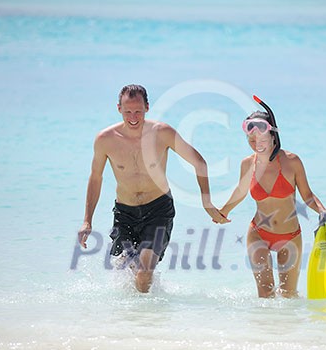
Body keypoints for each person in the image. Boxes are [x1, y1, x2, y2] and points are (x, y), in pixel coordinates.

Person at [78, 84, 229, 293]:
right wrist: (87, 220)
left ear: (147, 107)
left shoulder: (162, 132)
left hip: (158, 210)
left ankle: (145, 320)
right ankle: (139, 319)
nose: (133, 116)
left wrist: (207, 202)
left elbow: (199, 163)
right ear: (118, 108)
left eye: (138, 111)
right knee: (128, 272)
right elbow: (96, 178)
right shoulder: (105, 140)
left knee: (143, 272)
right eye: (128, 111)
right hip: (125, 213)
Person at [218, 99, 326, 298]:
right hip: (258, 233)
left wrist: (324, 211)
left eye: (261, 139)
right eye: (251, 140)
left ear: (273, 135)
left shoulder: (292, 162)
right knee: (265, 293)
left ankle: (286, 328)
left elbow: (307, 196)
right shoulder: (248, 164)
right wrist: (223, 212)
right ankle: (265, 328)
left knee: (288, 295)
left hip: (290, 236)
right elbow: (240, 192)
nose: (256, 144)